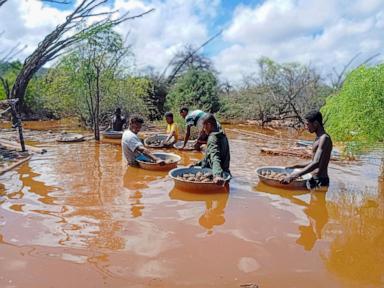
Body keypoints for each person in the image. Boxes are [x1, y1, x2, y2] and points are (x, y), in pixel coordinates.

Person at [281, 110, 333, 189]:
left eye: (308, 124)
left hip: (320, 181)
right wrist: (296, 166)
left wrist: (293, 176)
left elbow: (316, 163)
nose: (306, 127)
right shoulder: (319, 138)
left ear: (315, 123)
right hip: (315, 179)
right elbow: (314, 162)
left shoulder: (324, 138)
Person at [190, 113, 230, 185]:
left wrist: (217, 175)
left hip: (215, 178)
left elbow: (215, 157)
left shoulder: (212, 138)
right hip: (225, 174)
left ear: (208, 125)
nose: (203, 129)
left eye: (204, 126)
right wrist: (197, 164)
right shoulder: (222, 135)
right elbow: (210, 157)